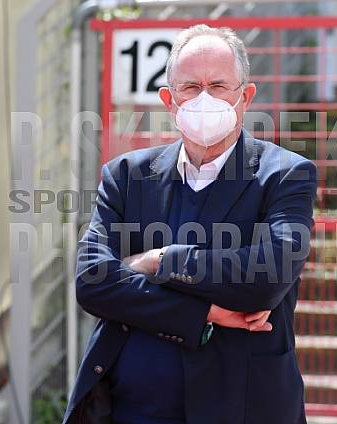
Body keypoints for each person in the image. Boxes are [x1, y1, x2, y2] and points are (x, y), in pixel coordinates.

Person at [62, 24, 317, 424]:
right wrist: (205, 313)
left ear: (246, 96)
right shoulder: (126, 176)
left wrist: (160, 260)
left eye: (218, 86)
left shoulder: (284, 175)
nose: (204, 99)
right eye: (191, 87)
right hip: (130, 409)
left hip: (242, 407)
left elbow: (267, 276)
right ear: (169, 99)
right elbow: (93, 282)